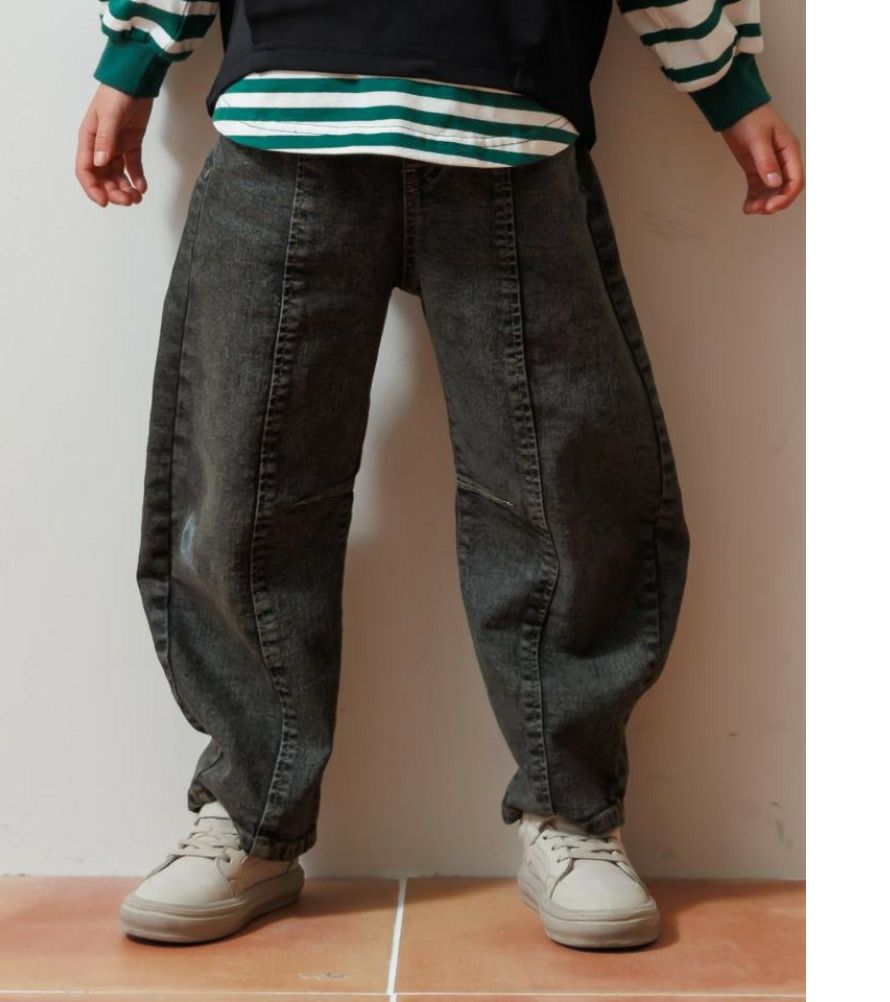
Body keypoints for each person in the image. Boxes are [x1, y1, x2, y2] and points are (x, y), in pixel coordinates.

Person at [75, 1, 804, 951]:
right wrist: (134, 55)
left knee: (569, 488)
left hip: (509, 115)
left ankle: (573, 809)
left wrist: (728, 85)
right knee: (240, 487)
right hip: (288, 112)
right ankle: (248, 811)